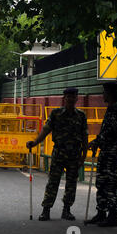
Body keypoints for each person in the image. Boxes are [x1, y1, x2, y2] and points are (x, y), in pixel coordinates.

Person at [26, 87, 88, 221]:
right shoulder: (56, 114)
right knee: (53, 182)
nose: (71, 99)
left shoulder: (81, 116)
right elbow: (45, 130)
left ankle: (67, 210)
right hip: (59, 152)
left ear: (77, 98)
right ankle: (46, 210)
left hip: (75, 154)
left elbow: (84, 136)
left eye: (73, 96)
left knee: (71, 183)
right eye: (68, 97)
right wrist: (35, 143)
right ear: (64, 98)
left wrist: (83, 156)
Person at [85, 82, 117, 227]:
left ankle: (112, 216)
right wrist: (97, 142)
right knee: (102, 183)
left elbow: (110, 133)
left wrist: (96, 142)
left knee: (112, 184)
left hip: (113, 154)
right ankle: (101, 212)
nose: (103, 94)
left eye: (104, 92)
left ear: (110, 94)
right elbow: (105, 132)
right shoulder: (110, 109)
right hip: (106, 153)